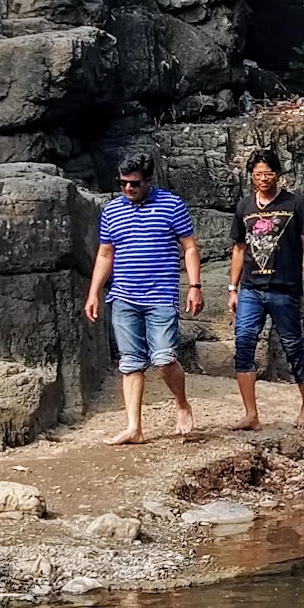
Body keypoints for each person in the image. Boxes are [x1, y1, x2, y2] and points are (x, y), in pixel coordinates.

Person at [83, 152, 201, 444]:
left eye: (133, 184)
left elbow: (189, 247)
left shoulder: (172, 205)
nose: (127, 189)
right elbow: (105, 253)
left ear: (147, 181)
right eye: (123, 183)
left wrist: (195, 285)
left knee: (163, 360)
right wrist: (94, 292)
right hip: (123, 297)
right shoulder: (111, 211)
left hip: (161, 296)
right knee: (131, 362)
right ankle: (134, 427)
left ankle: (182, 403)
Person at [228, 148, 304, 430]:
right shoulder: (244, 207)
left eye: (268, 173)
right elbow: (239, 249)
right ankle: (251, 414)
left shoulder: (294, 203)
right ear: (251, 177)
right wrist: (233, 288)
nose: (263, 178)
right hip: (250, 289)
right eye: (257, 174)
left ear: (277, 174)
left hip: (285, 289)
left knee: (293, 347)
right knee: (243, 344)